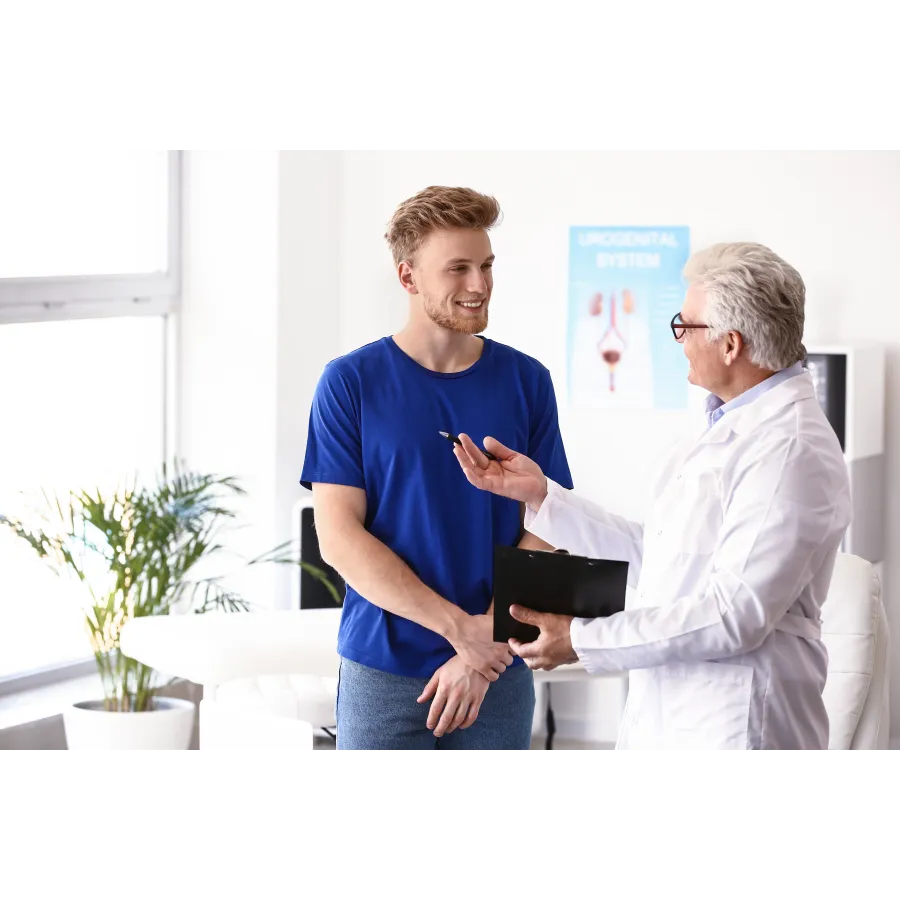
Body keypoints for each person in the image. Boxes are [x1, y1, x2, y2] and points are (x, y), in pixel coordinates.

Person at [452, 242, 850, 752]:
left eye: (685, 326)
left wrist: (582, 639)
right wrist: (543, 497)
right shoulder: (728, 425)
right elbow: (664, 560)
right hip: (677, 716)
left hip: (737, 727)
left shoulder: (790, 447)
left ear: (730, 344)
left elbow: (734, 615)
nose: (679, 339)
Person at [301, 186, 573, 751]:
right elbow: (338, 537)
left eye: (486, 266)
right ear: (408, 277)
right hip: (386, 670)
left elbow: (550, 522)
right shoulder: (350, 383)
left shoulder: (528, 382)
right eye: (458, 269)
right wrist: (462, 634)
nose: (479, 285)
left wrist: (485, 648)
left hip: (497, 670)